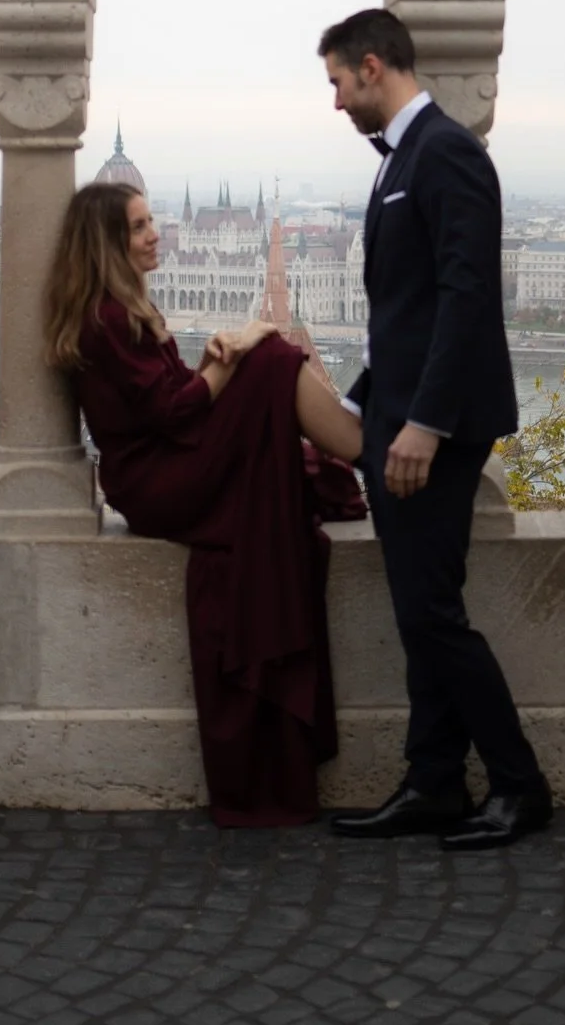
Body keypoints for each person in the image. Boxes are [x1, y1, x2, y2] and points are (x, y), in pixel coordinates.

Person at [42, 180, 365, 829]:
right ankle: (370, 452)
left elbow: (170, 398)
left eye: (152, 221)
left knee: (266, 355)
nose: (156, 233)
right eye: (138, 227)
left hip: (161, 470)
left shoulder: (116, 308)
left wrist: (214, 356)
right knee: (271, 358)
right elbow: (175, 410)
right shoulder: (107, 319)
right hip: (159, 484)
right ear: (108, 244)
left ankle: (362, 443)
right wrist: (234, 352)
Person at [319, 7, 552, 851]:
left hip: (433, 429)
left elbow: (463, 298)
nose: (337, 102)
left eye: (339, 82)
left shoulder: (445, 152)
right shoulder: (402, 161)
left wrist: (423, 422)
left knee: (433, 615)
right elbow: (405, 317)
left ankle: (520, 785)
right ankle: (435, 782)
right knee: (422, 613)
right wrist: (358, 401)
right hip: (402, 413)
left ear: (373, 67)